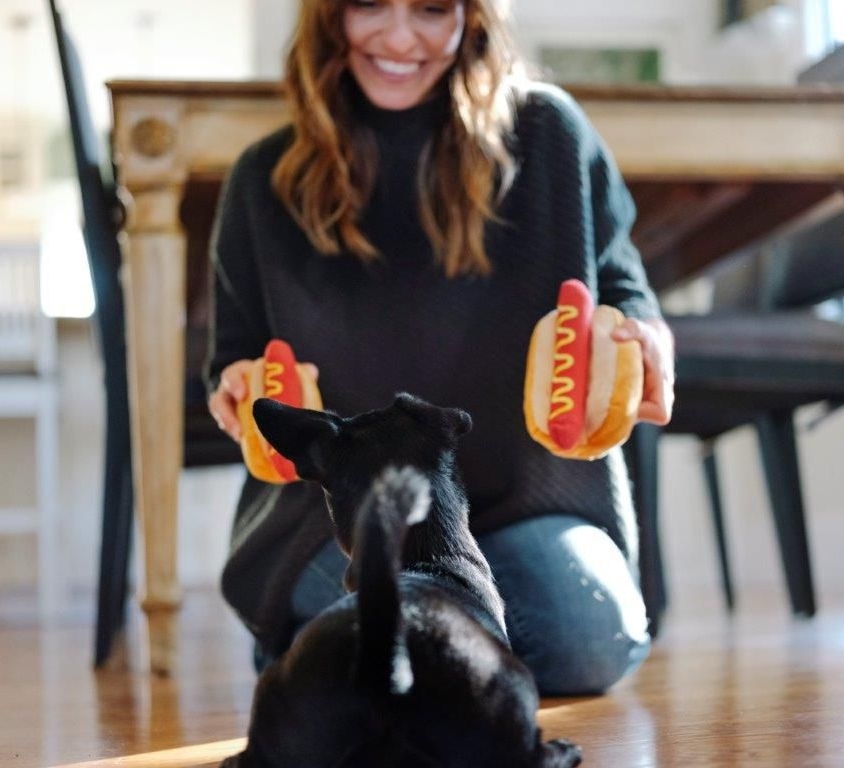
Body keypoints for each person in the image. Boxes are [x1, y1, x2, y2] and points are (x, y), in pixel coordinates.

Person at [206, 0, 675, 696]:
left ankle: (389, 654)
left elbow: (623, 288)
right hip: (339, 516)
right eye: (370, 4)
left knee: (584, 639)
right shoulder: (261, 178)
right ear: (330, 15)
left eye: (431, 9)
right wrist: (234, 388)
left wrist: (645, 336)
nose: (400, 38)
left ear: (472, 17)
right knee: (391, 633)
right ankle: (439, 649)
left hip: (524, 502)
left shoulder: (550, 134)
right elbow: (233, 356)